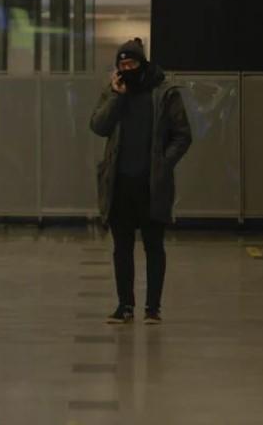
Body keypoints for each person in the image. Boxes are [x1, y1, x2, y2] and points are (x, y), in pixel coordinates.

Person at [90, 38, 191, 325]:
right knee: (121, 247)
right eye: (122, 65)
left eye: (131, 63)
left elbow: (183, 135)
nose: (127, 69)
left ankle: (153, 308)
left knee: (153, 245)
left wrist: (163, 162)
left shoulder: (164, 92)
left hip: (151, 184)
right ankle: (125, 305)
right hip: (119, 183)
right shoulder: (114, 92)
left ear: (142, 63)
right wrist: (116, 96)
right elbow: (98, 126)